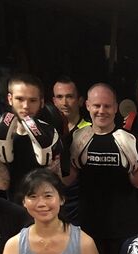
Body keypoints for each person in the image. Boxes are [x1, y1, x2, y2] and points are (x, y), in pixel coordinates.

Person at [67, 83, 138, 254]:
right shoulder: (78, 138)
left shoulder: (128, 139)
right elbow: (67, 180)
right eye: (96, 105)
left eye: (107, 106)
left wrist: (134, 159)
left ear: (115, 107)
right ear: (87, 105)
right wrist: (66, 161)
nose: (101, 111)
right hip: (91, 223)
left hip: (125, 224)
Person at [0, 73, 63, 203]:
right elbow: (2, 184)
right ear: (10, 99)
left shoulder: (50, 134)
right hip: (14, 209)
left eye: (32, 100)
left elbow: (56, 184)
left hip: (44, 207)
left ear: (42, 102)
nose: (26, 106)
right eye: (20, 99)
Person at [52, 76, 91, 224]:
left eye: (69, 97)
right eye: (60, 97)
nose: (64, 103)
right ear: (54, 101)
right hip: (54, 203)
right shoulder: (46, 131)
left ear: (80, 101)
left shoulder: (90, 129)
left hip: (82, 204)